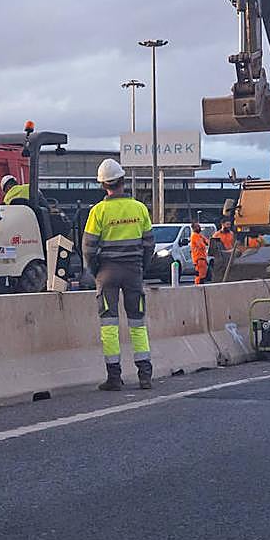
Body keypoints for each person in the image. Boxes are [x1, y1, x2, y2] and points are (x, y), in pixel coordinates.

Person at [82, 159, 155, 392]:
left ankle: (114, 377)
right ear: (123, 181)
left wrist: (95, 270)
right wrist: (141, 267)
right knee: (137, 323)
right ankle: (145, 376)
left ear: (104, 185)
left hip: (107, 273)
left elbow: (88, 247)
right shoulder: (139, 209)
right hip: (133, 271)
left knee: (109, 325)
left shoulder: (98, 211)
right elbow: (149, 244)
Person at [188, 221, 209, 285]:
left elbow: (207, 241)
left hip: (202, 258)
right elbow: (201, 245)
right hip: (199, 258)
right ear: (194, 228)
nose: (199, 227)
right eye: (197, 226)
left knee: (202, 275)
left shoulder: (199, 235)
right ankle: (198, 287)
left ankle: (200, 285)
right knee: (200, 276)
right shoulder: (194, 236)